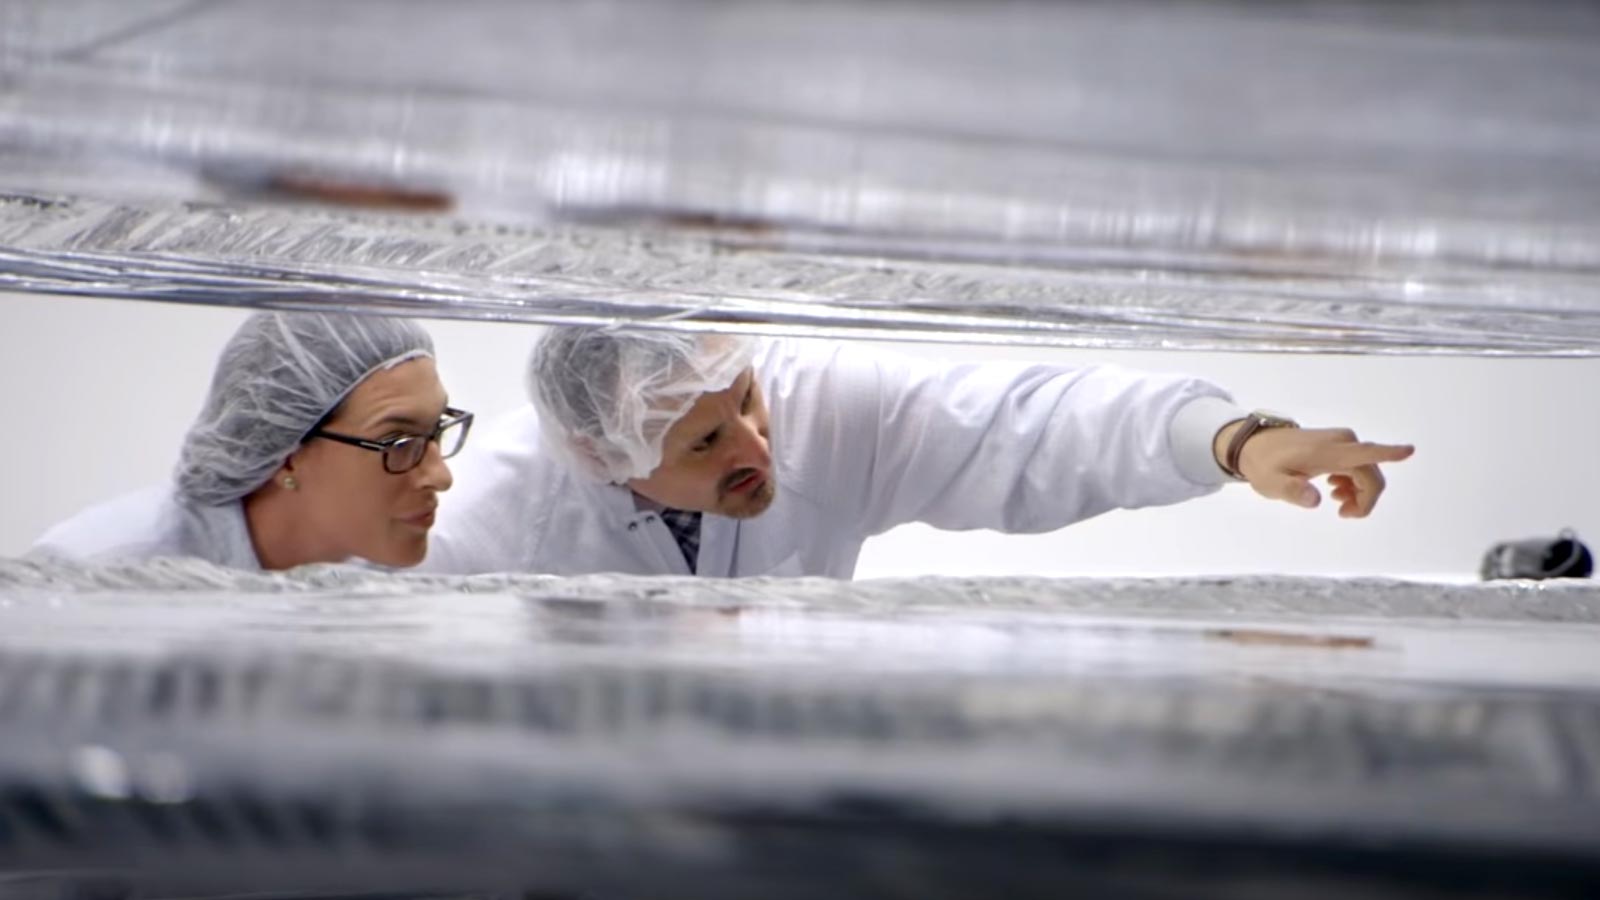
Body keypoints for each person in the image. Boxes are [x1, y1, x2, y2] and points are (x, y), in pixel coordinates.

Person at [423, 328, 1412, 578]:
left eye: (750, 401)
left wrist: (1233, 441)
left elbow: (1030, 427)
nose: (759, 443)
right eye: (706, 440)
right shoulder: (497, 520)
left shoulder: (823, 409)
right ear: (604, 457)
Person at [32, 311, 473, 571]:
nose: (440, 475)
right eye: (398, 441)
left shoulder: (375, 574)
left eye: (437, 430)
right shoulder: (102, 577)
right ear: (286, 455)